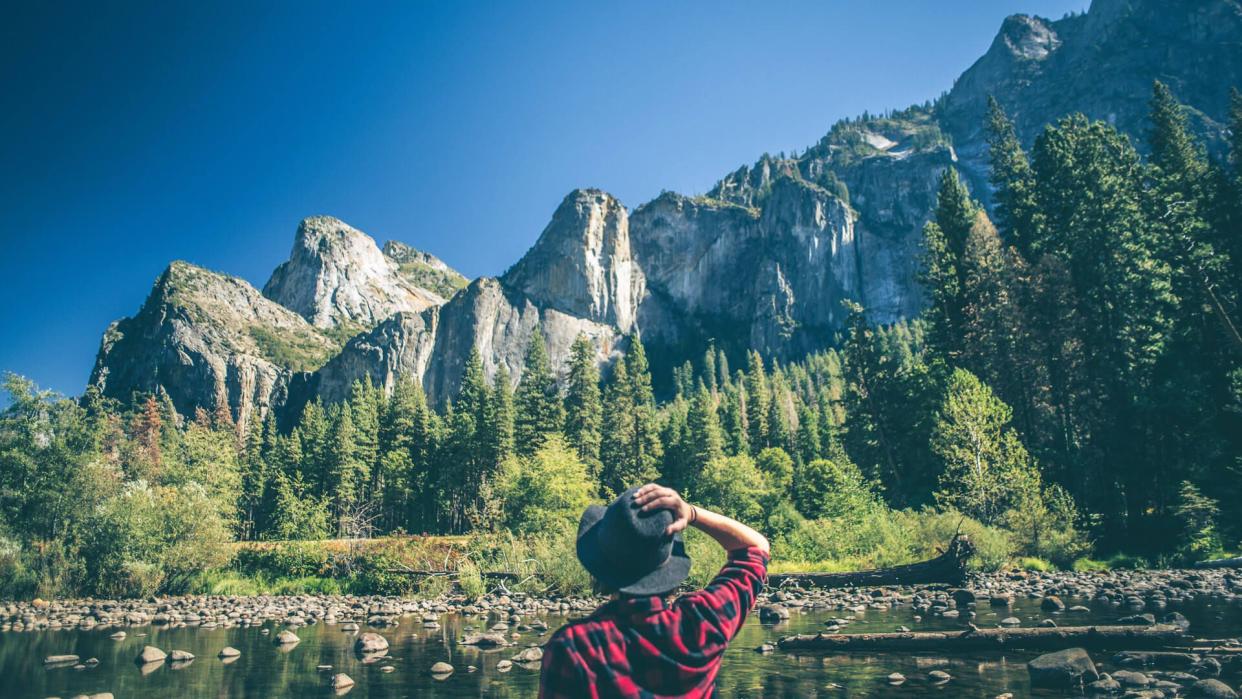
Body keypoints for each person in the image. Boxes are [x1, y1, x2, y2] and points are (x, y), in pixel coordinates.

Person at [539, 483, 770, 698]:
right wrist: (691, 513)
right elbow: (755, 547)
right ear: (668, 564)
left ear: (601, 566)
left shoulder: (574, 647)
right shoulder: (703, 621)